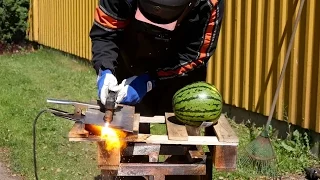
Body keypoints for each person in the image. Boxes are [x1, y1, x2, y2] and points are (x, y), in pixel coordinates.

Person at [89, 0, 224, 118]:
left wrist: (149, 80)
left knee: (181, 133)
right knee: (128, 129)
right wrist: (105, 69)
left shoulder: (209, 4)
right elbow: (105, 34)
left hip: (180, 68)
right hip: (132, 55)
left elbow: (195, 55)